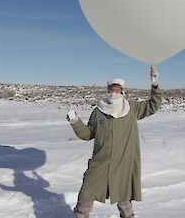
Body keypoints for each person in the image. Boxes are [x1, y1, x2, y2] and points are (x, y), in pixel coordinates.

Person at [67, 66, 162, 218]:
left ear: (123, 90)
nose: (115, 90)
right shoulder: (99, 111)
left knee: (124, 200)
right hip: (100, 163)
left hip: (124, 162)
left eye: (118, 88)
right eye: (112, 87)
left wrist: (155, 83)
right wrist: (75, 121)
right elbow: (88, 134)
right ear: (107, 89)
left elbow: (153, 105)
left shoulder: (132, 107)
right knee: (85, 195)